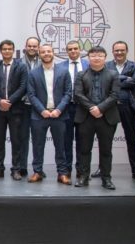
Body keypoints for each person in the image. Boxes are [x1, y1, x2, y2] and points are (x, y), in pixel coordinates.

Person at [73, 46, 120, 189]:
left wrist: (100, 108)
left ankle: (106, 178)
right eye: (93, 56)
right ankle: (83, 177)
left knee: (106, 150)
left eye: (100, 55)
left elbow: (115, 95)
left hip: (107, 117)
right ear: (88, 58)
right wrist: (92, 108)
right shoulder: (81, 74)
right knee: (84, 149)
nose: (96, 58)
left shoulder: (113, 74)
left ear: (105, 57)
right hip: (85, 117)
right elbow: (78, 94)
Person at [26, 43, 71, 184]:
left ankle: (62, 173)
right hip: (39, 116)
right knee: (37, 146)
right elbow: (31, 94)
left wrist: (58, 110)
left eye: (49, 51)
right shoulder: (33, 73)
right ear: (39, 54)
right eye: (43, 52)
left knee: (61, 146)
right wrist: (42, 110)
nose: (46, 54)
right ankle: (37, 172)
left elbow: (68, 93)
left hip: (59, 115)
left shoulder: (64, 71)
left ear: (53, 53)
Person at [102, 41, 135, 180]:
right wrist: (125, 78)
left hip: (128, 106)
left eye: (122, 50)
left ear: (127, 51)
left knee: (131, 139)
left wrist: (115, 80)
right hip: (110, 106)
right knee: (106, 140)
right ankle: (103, 169)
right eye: (116, 50)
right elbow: (105, 83)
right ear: (112, 51)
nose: (119, 53)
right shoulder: (106, 65)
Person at [0, 40, 28, 180]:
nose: (7, 51)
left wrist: (9, 101)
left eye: (9, 49)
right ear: (0, 51)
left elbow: (23, 87)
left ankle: (16, 169)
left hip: (15, 109)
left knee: (16, 141)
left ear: (13, 50)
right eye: (4, 49)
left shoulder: (21, 67)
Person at [58, 40, 89, 178]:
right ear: (67, 51)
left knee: (83, 141)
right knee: (66, 140)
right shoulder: (60, 67)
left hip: (83, 108)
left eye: (75, 48)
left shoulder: (88, 65)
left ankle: (81, 170)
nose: (73, 51)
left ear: (80, 49)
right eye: (70, 49)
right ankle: (67, 170)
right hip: (66, 107)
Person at [19, 37, 42, 176]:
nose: (32, 48)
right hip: (23, 106)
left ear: (38, 47)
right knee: (23, 138)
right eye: (30, 46)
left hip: (39, 106)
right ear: (25, 46)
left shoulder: (44, 62)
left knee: (38, 139)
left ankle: (38, 169)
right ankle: (22, 167)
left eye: (34, 46)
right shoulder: (18, 63)